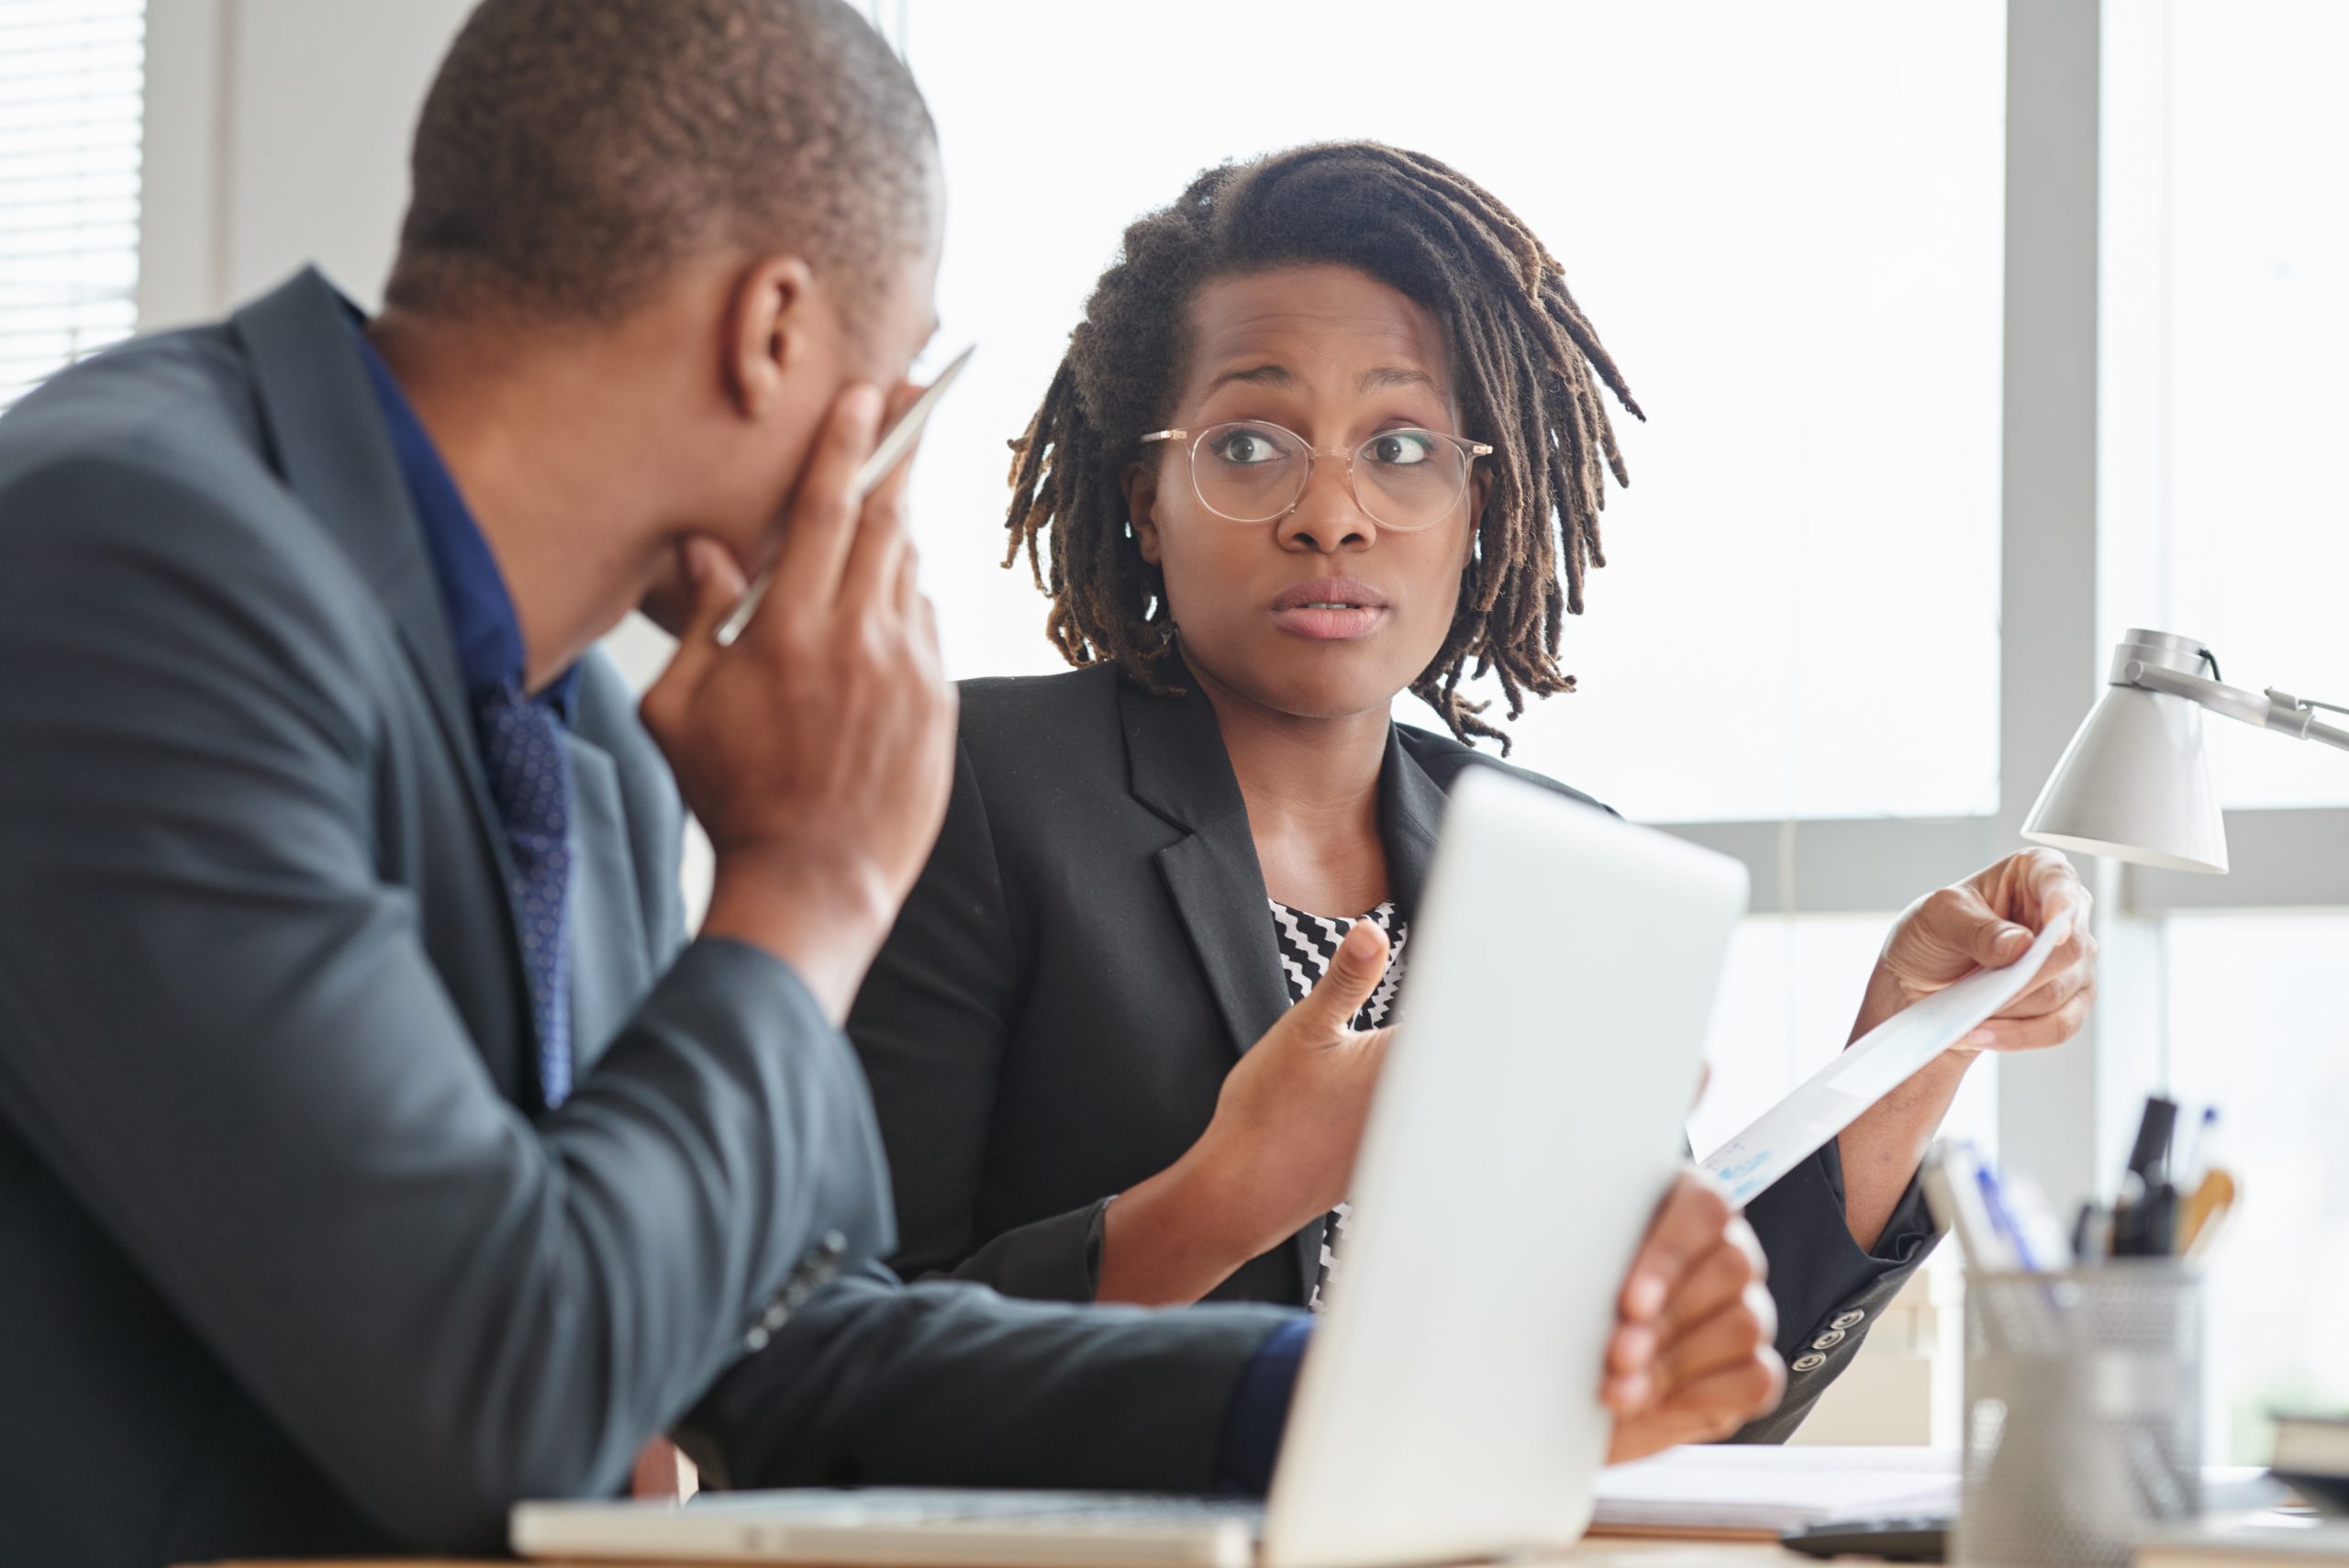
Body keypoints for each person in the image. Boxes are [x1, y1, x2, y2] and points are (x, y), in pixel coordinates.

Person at [0, 9, 1787, 1565]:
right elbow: (499, 1392)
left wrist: (1401, 1401)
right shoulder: (136, 557)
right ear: (775, 333)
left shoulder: (589, 746)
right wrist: (810, 884)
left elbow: (795, 1348)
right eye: (907, 367)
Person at [845, 141, 2099, 1440]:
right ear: (1144, 501)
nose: (1332, 512)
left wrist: (1909, 1044)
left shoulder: (1561, 863)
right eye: (1250, 443)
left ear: (1477, 504)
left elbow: (1680, 1395)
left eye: (1399, 444)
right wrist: (1230, 1191)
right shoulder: (971, 785)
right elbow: (832, 1370)